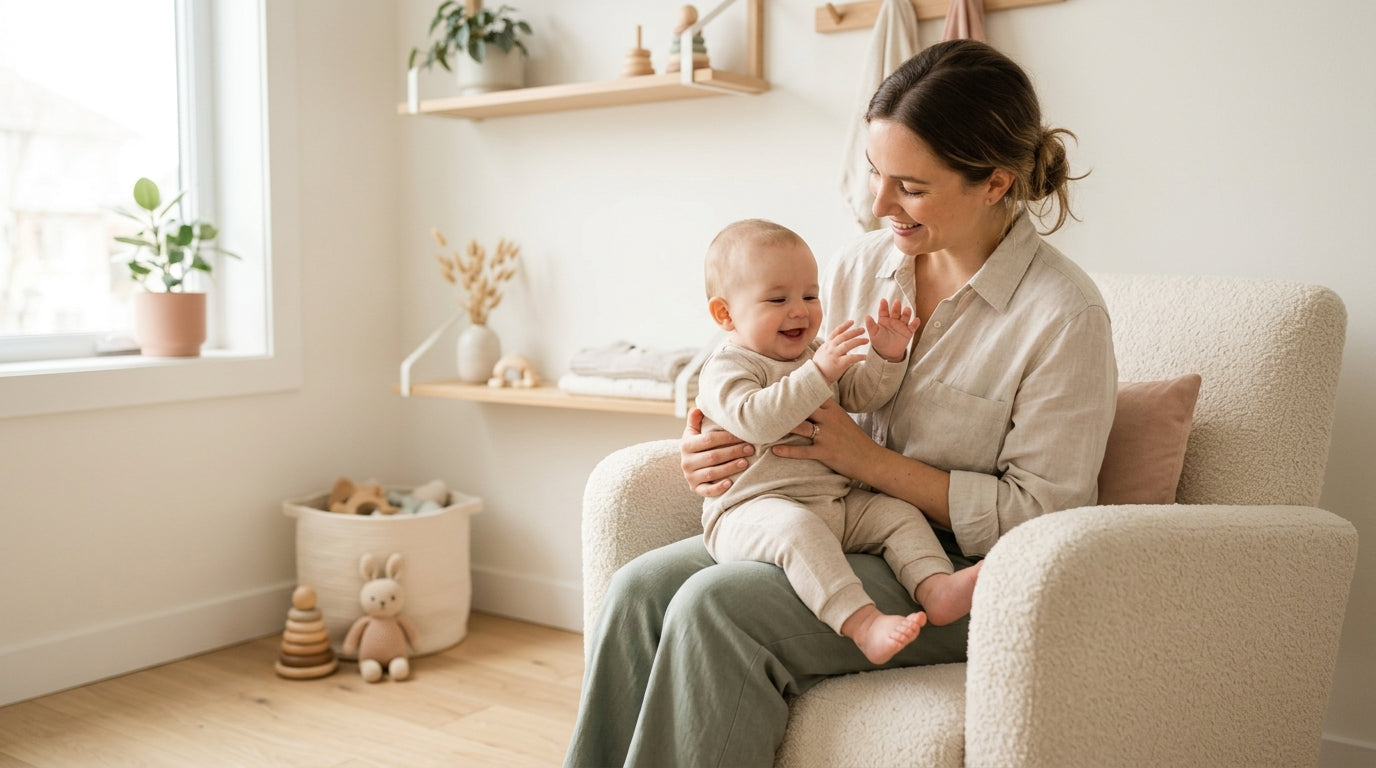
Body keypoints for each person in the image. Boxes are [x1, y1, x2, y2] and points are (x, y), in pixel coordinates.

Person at [565, 39, 1117, 768]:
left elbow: (1044, 518)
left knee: (716, 607)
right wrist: (710, 445)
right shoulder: (862, 265)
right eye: (875, 174)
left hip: (958, 570)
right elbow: (769, 365)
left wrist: (869, 463)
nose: (879, 204)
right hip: (826, 515)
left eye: (909, 187)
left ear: (994, 183)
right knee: (639, 590)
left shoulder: (1063, 316)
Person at [695, 217, 982, 665]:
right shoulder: (729, 367)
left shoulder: (813, 354)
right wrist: (818, 372)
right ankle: (862, 623)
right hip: (752, 513)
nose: (800, 311)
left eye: (810, 296)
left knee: (897, 513)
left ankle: (936, 587)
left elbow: (862, 396)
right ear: (725, 314)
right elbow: (756, 420)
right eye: (778, 299)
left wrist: (886, 356)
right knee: (798, 530)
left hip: (832, 504)